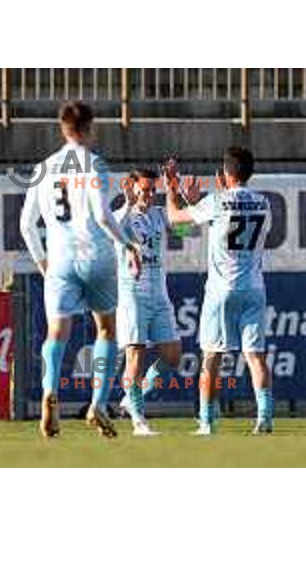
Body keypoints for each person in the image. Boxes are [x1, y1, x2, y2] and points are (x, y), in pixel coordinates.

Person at [20, 100, 141, 438]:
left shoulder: (44, 167)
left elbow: (26, 226)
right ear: (89, 127)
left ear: (62, 128)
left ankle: (49, 393)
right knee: (106, 330)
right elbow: (103, 216)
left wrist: (44, 264)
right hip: (97, 258)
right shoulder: (94, 163)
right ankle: (98, 404)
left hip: (59, 260)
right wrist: (129, 245)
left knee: (56, 333)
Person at [164, 147, 273, 435]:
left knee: (212, 356)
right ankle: (265, 417)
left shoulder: (216, 202)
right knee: (255, 355)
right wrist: (206, 201)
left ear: (225, 173)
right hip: (254, 287)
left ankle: (206, 422)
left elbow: (176, 220)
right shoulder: (264, 202)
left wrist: (173, 191)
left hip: (222, 288)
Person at [115, 168, 192, 436]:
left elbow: (183, 229)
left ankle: (130, 399)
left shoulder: (159, 214)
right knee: (135, 355)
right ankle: (138, 421)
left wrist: (177, 195)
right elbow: (110, 228)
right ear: (133, 187)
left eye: (152, 190)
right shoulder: (122, 216)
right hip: (132, 293)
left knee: (173, 356)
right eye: (144, 189)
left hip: (159, 294)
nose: (148, 194)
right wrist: (126, 202)